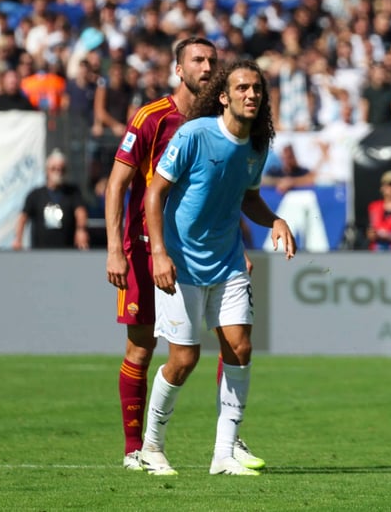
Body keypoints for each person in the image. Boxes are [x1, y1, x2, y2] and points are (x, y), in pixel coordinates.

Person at [103, 37, 265, 474]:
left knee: (232, 340)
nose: (208, 66)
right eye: (198, 60)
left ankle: (228, 442)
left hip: (205, 253)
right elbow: (118, 183)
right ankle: (136, 447)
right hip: (145, 248)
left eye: (213, 60)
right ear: (179, 69)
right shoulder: (154, 117)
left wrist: (238, 245)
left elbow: (223, 193)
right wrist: (115, 249)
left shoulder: (223, 121)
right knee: (143, 346)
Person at [140, 59, 296, 477]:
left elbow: (248, 197)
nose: (251, 95)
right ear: (224, 96)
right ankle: (151, 447)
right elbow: (155, 194)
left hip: (227, 261)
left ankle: (223, 454)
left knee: (240, 349)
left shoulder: (258, 145)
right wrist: (159, 253)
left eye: (257, 89)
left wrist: (275, 220)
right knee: (184, 360)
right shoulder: (194, 134)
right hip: (181, 262)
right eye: (243, 88)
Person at [13, 150, 89, 250]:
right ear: (47, 170)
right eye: (54, 169)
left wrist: (81, 230)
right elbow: (23, 217)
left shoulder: (72, 192)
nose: (58, 172)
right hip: (40, 252)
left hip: (67, 251)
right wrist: (18, 239)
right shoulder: (35, 195)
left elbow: (80, 212)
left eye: (61, 169)